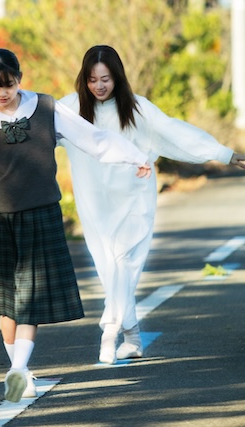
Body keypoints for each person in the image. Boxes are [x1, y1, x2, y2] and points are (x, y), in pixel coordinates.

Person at [0, 48, 152, 403]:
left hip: (40, 215)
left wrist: (135, 156)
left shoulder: (47, 109)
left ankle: (19, 370)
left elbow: (93, 140)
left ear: (20, 79)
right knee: (9, 304)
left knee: (30, 300)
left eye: (8, 85)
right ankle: (19, 369)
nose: (2, 93)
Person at [59, 45, 245, 365]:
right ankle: (132, 337)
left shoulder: (137, 108)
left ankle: (109, 332)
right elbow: (33, 122)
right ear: (83, 80)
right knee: (109, 269)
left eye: (105, 79)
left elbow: (176, 133)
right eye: (92, 80)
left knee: (125, 265)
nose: (99, 86)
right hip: (95, 204)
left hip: (134, 199)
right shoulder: (70, 109)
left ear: (117, 77)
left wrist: (224, 154)